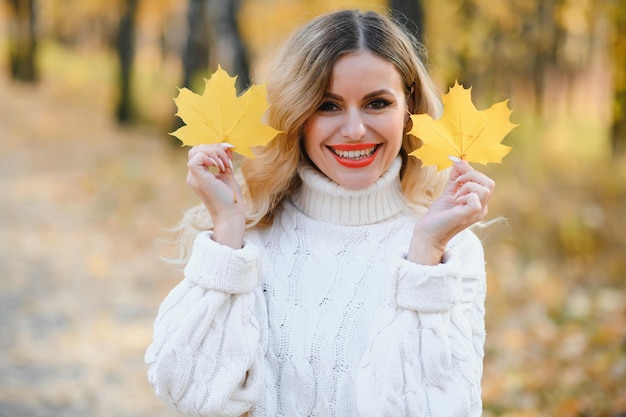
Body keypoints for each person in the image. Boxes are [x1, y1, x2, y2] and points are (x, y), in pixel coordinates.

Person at [145, 8, 495, 417]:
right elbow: (187, 391)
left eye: (377, 103)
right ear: (297, 114)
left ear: (409, 108)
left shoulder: (449, 252)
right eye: (328, 106)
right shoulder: (247, 238)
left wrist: (424, 255)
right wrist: (226, 231)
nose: (354, 130)